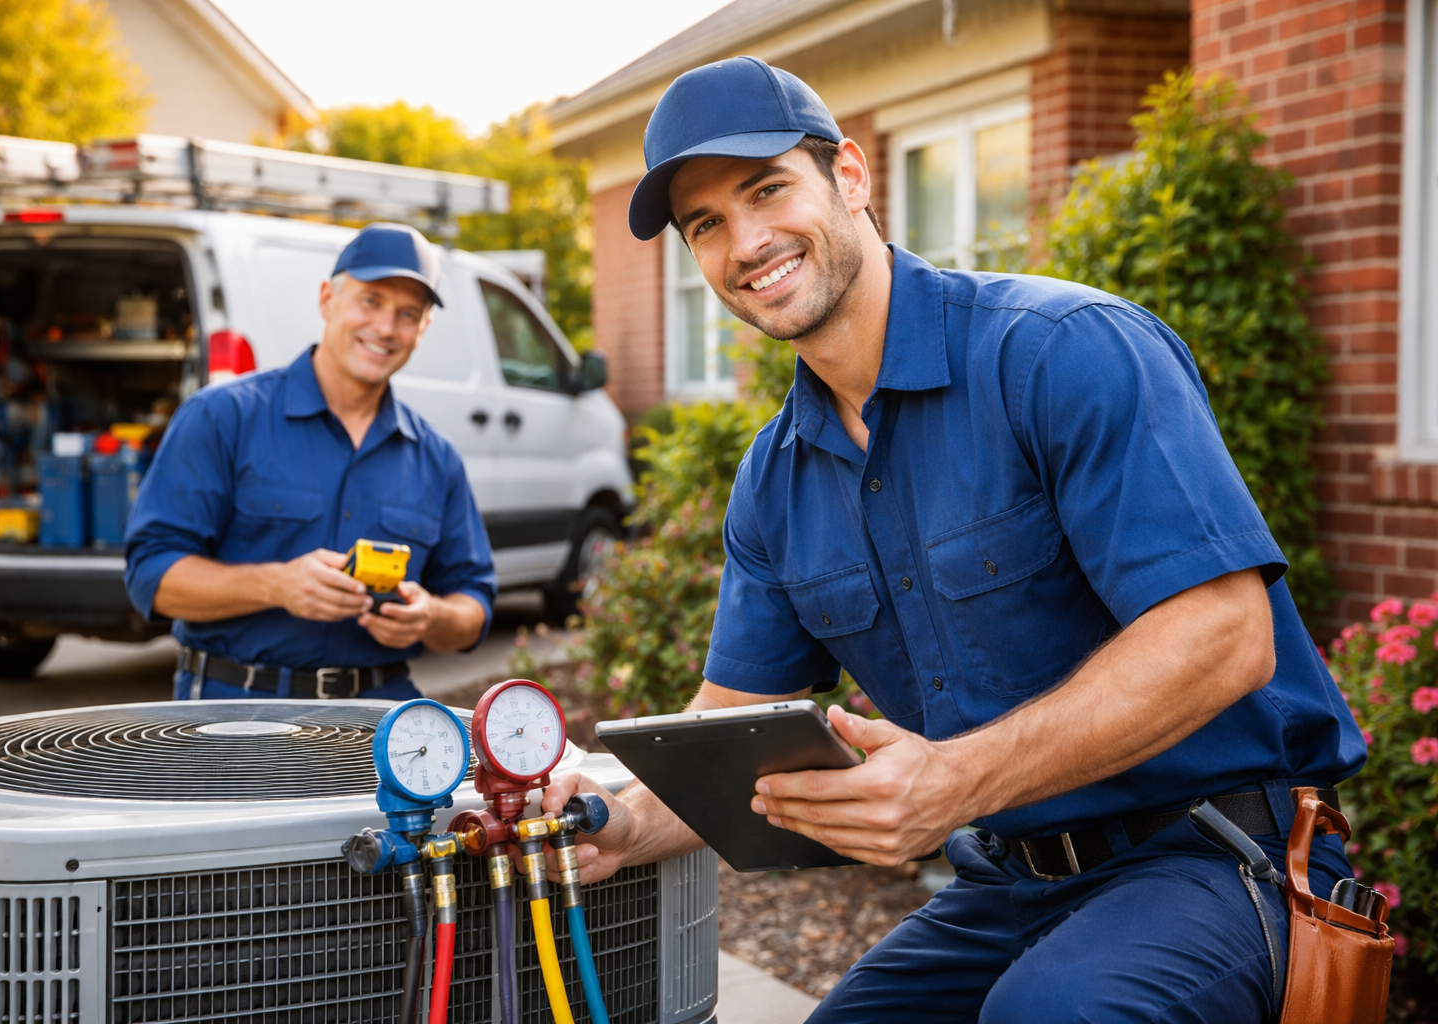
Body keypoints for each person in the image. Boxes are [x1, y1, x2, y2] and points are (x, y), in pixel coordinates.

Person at [543, 57, 1365, 1023]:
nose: (747, 242)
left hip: (1214, 855)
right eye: (706, 225)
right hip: (1010, 885)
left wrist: (954, 778)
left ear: (850, 176)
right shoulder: (776, 482)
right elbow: (726, 729)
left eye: (767, 190)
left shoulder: (1062, 352)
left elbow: (1227, 635)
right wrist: (613, 822)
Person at [124, 223, 495, 701]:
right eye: (371, 301)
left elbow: (474, 604)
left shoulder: (435, 458)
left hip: (378, 729)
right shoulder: (223, 417)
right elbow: (151, 576)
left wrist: (433, 617)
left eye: (408, 313)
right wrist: (276, 585)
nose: (385, 327)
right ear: (327, 300)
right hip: (232, 721)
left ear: (423, 329)